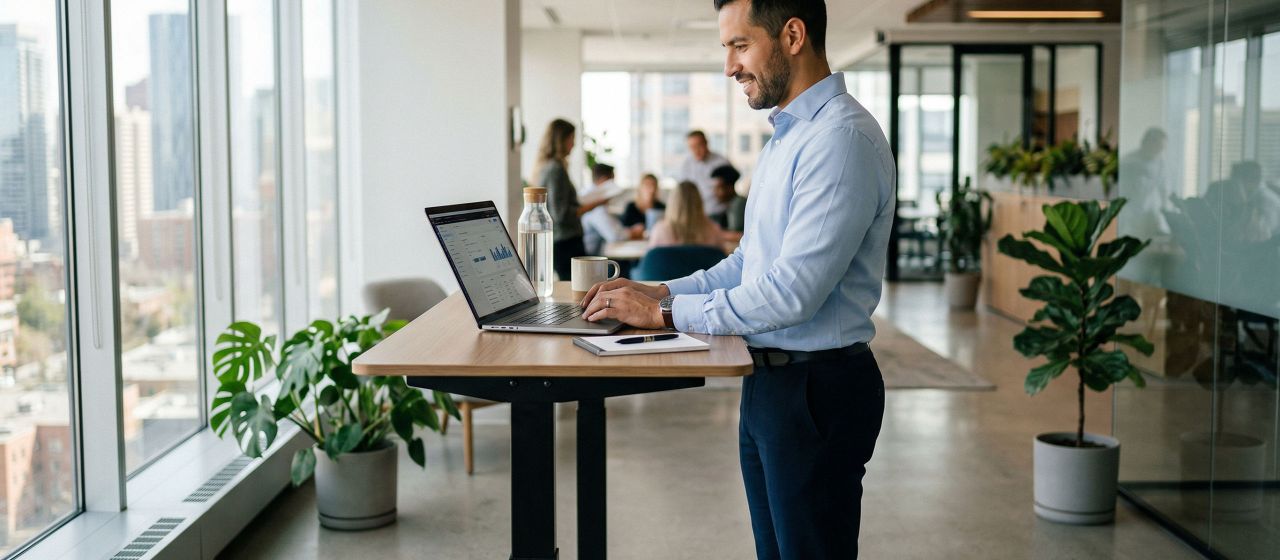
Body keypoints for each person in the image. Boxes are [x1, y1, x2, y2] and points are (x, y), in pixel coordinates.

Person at [578, 1, 894, 557]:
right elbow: (749, 264)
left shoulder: (839, 140)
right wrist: (662, 291)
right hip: (771, 381)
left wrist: (663, 316)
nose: (729, 67)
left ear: (793, 35)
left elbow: (791, 293)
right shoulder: (787, 137)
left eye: (739, 45)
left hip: (816, 389)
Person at [532, 118, 608, 280]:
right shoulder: (555, 170)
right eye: (571, 139)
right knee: (580, 288)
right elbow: (561, 214)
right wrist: (594, 204)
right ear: (562, 140)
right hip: (566, 243)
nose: (573, 145)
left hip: (562, 241)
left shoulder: (548, 167)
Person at [580, 163, 640, 254]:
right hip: (588, 259)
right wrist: (633, 232)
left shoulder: (587, 196)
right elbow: (614, 236)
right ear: (605, 181)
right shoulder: (594, 204)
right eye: (613, 181)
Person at [648, 181, 725, 248]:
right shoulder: (714, 231)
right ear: (699, 202)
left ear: (672, 203)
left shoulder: (660, 231)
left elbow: (651, 261)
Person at [680, 130, 732, 216]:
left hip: (718, 213)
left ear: (706, 143)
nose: (696, 150)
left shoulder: (721, 162)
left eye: (699, 145)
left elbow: (730, 190)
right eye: (692, 147)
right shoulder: (686, 164)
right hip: (695, 214)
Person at [708, 164, 747, 239]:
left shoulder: (738, 204)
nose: (714, 192)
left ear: (729, 188)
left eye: (718, 188)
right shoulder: (733, 203)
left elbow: (737, 234)